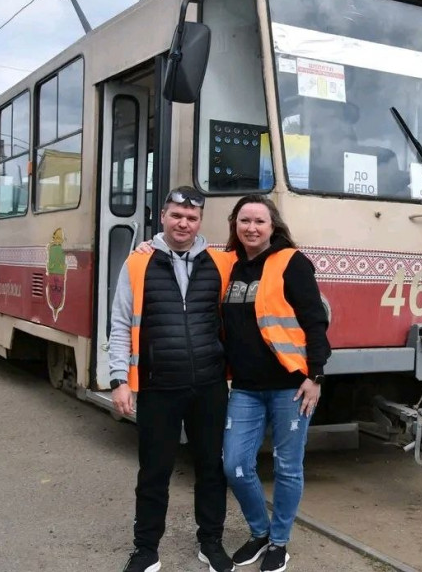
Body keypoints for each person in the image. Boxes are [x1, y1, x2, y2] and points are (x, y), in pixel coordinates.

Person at [108, 185, 234, 572]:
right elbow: (119, 323)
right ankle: (146, 549)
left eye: (192, 218)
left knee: (211, 467)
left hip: (210, 384)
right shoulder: (137, 262)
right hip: (158, 384)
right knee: (154, 470)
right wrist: (119, 379)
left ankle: (210, 542)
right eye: (176, 215)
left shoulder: (222, 262)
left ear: (200, 223)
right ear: (162, 216)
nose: (183, 223)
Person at [215, 194, 331, 572]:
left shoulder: (291, 262)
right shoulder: (227, 264)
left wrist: (315, 376)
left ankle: (279, 542)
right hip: (246, 388)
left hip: (291, 386)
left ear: (272, 226)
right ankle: (260, 532)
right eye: (244, 221)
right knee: (234, 464)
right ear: (234, 224)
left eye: (259, 221)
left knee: (288, 467)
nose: (251, 228)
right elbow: (182, 248)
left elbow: (316, 322)